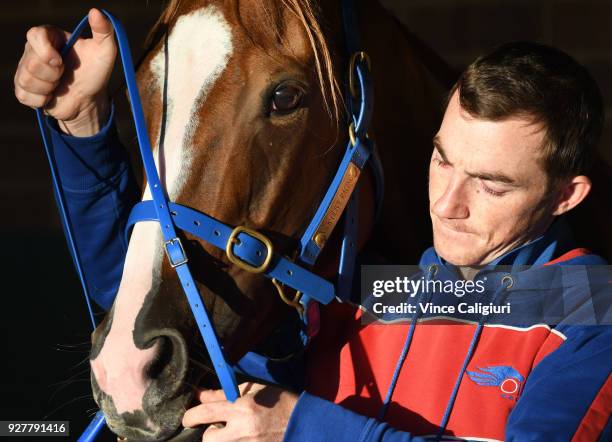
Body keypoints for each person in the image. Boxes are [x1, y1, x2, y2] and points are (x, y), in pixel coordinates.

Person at [15, 9, 611, 441]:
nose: (447, 203)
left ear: (566, 195)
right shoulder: (375, 291)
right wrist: (85, 130)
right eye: (441, 158)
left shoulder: (593, 311)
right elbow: (157, 315)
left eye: (492, 183)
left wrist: (300, 428)